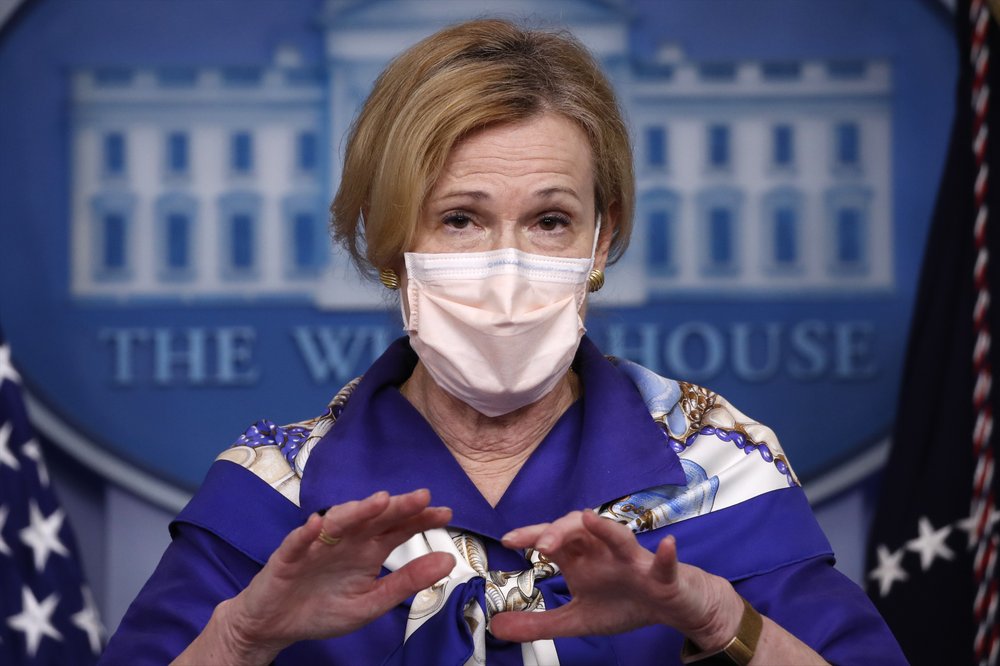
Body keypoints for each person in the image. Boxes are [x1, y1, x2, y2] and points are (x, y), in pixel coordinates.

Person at [101, 18, 905, 666]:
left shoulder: (719, 467)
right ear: (390, 245)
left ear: (599, 243)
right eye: (460, 219)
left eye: (550, 220)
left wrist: (720, 613)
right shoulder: (276, 494)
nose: (508, 264)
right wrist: (241, 641)